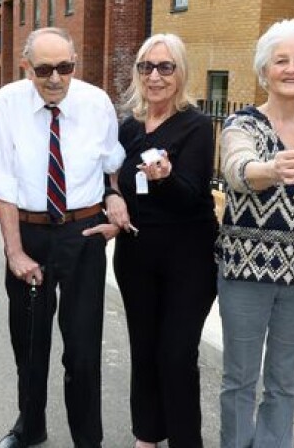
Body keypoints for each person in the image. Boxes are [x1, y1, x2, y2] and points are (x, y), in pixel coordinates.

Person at [0, 27, 124, 448]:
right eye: (44, 69)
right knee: (30, 343)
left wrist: (114, 198)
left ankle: (87, 439)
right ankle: (31, 426)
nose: (56, 78)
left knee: (82, 349)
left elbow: (112, 162)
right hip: (29, 232)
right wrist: (15, 252)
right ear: (27, 68)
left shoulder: (96, 102)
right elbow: (3, 181)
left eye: (65, 67)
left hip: (83, 234)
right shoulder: (8, 103)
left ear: (75, 62)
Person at [215, 19, 294, 448]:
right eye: (281, 60)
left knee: (286, 383)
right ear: (264, 70)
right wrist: (269, 171)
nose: (291, 69)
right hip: (245, 271)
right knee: (240, 380)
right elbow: (236, 168)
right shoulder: (242, 124)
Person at [102, 33, 218, 448]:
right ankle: (147, 435)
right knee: (145, 350)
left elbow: (191, 196)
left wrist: (166, 179)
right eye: (146, 67)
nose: (155, 76)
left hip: (189, 257)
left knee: (176, 354)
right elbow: (106, 177)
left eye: (165, 67)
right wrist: (112, 196)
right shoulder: (127, 127)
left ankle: (186, 441)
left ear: (180, 72)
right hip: (136, 255)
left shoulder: (197, 126)